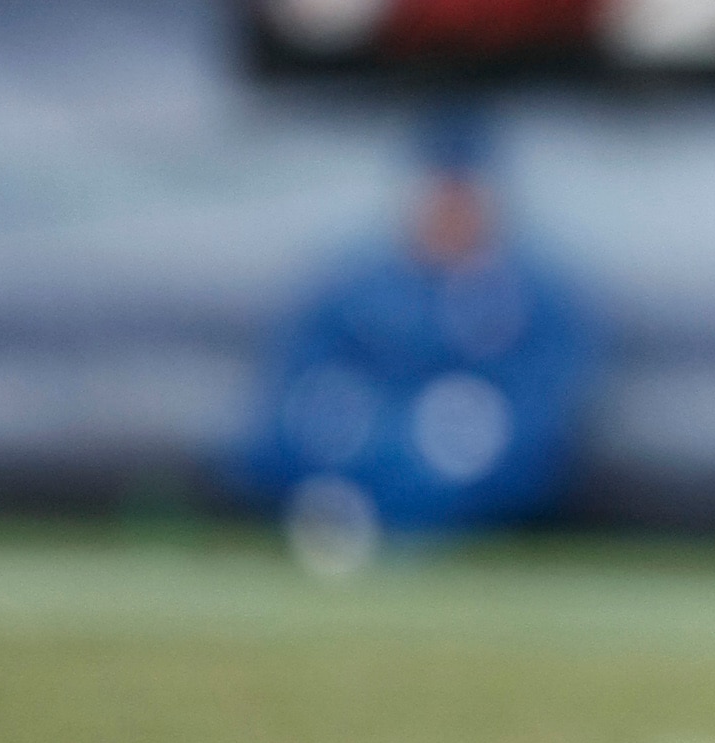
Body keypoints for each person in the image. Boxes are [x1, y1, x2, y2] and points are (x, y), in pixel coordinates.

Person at [232, 112, 600, 564]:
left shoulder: (535, 294)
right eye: (439, 198)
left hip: (464, 482)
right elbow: (298, 386)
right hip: (363, 451)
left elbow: (538, 421)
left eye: (463, 199)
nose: (450, 214)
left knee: (452, 446)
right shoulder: (356, 282)